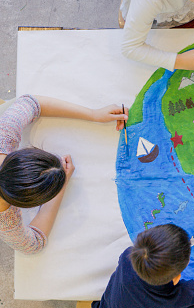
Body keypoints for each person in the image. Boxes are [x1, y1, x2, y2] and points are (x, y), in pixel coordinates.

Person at [0, 95, 127, 254]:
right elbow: (34, 243)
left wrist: (94, 114)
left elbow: (31, 103)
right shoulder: (6, 222)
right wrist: (61, 187)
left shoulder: (4, 135)